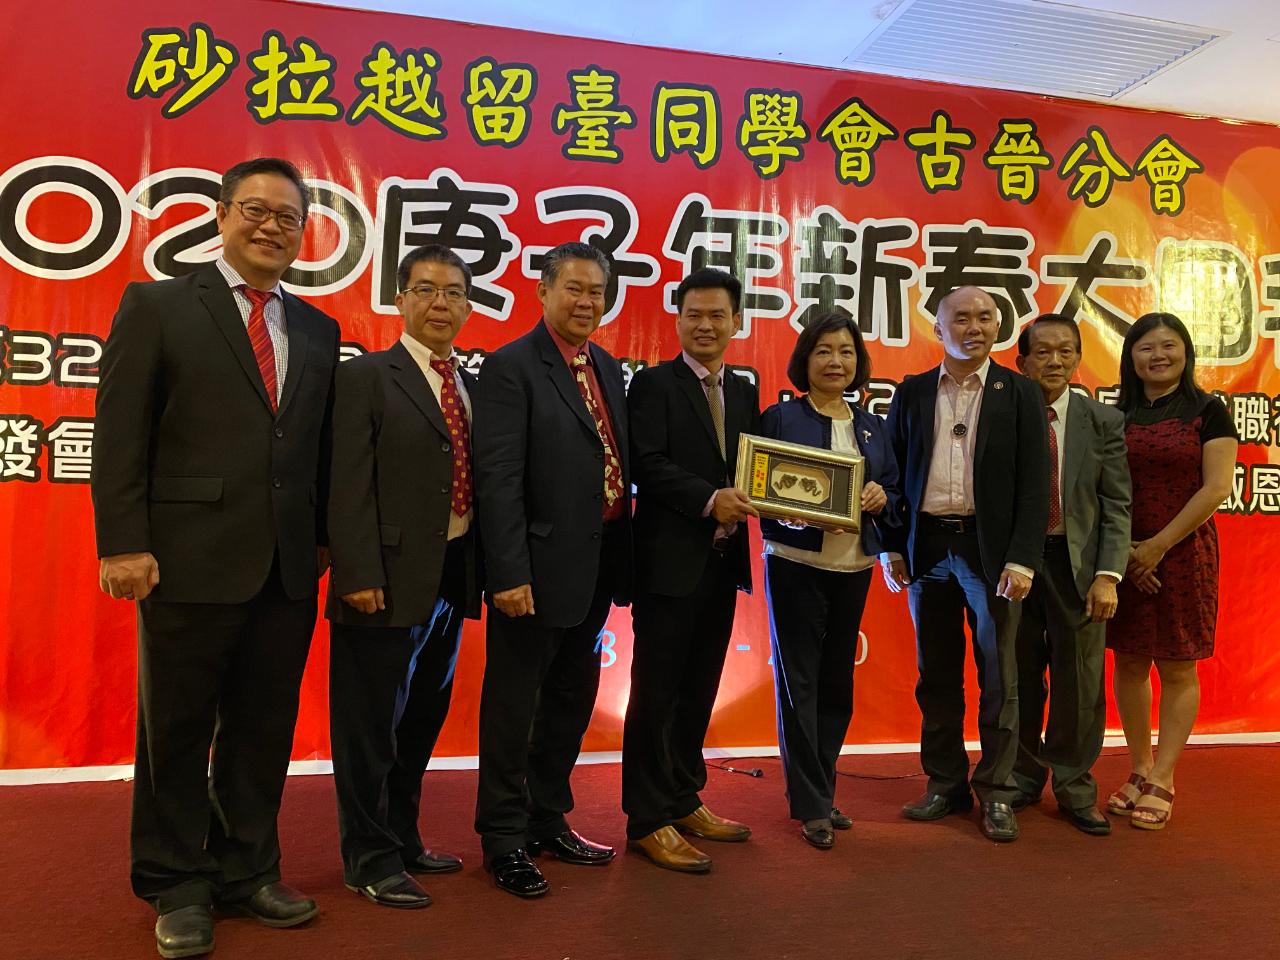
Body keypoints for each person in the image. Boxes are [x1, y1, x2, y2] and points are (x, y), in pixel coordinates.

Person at [91, 158, 339, 958]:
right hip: (186, 558)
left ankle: (248, 870)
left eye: (288, 217)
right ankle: (176, 883)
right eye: (256, 210)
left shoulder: (318, 328)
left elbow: (317, 448)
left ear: (303, 234)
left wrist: (323, 539)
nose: (272, 227)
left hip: (286, 567)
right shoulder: (159, 305)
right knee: (176, 729)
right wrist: (123, 541)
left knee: (262, 731)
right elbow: (119, 431)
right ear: (222, 214)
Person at [472, 242, 633, 897]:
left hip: (596, 564)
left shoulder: (607, 366)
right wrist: (508, 572)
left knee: (569, 701)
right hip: (533, 572)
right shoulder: (511, 366)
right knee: (513, 708)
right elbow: (498, 477)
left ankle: (547, 818)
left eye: (597, 291)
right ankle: (502, 838)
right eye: (574, 288)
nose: (587, 302)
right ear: (543, 291)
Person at [325, 244, 483, 909]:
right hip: (380, 578)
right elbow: (345, 481)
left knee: (420, 717)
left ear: (468, 306)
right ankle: (368, 857)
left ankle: (402, 835)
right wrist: (356, 570)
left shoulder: (468, 382)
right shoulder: (366, 375)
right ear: (400, 300)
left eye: (453, 292)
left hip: (450, 574)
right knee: (368, 727)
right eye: (426, 289)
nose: (440, 303)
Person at [882, 286, 1049, 843]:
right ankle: (944, 783)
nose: (973, 327)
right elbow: (890, 474)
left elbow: (1036, 485)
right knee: (936, 674)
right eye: (961, 318)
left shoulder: (1020, 392)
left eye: (985, 318)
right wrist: (891, 546)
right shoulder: (912, 392)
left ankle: (997, 790)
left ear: (998, 327)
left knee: (1001, 675)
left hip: (990, 552)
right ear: (938, 328)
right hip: (926, 547)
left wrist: (1022, 558)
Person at [622, 268, 760, 873]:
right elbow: (645, 464)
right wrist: (709, 500)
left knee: (699, 688)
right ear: (677, 321)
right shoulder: (653, 385)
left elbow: (758, 469)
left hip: (722, 565)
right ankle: (647, 818)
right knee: (655, 693)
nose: (706, 326)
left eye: (717, 315)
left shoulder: (746, 391)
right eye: (694, 315)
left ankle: (683, 797)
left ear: (737, 322)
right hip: (668, 566)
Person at [760, 313, 900, 850]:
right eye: (823, 351)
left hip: (853, 567)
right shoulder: (781, 417)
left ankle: (823, 789)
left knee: (836, 686)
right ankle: (812, 805)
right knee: (800, 684)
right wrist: (792, 516)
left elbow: (894, 489)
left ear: (858, 362)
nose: (835, 361)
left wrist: (882, 497)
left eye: (845, 351)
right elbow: (757, 489)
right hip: (795, 563)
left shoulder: (872, 426)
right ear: (805, 360)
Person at [1104, 313, 1237, 830]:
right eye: (1146, 348)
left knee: (1178, 666)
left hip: (1182, 553)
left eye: (1168, 346)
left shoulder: (1209, 411)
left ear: (1185, 352)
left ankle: (1164, 776)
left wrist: (1157, 547)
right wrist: (1127, 554)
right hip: (1123, 553)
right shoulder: (1116, 415)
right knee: (1130, 661)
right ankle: (1139, 767)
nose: (1157, 356)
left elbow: (1215, 488)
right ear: (1130, 357)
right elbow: (1101, 488)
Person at [1012, 314, 1132, 836]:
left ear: (1079, 358)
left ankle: (1075, 786)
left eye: (1065, 351)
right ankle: (1020, 778)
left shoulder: (1101, 420)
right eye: (1043, 352)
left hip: (1077, 566)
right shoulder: (1005, 414)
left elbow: (1117, 504)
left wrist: (1108, 575)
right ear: (1022, 362)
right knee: (1015, 677)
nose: (1055, 361)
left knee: (1079, 682)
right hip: (1016, 563)